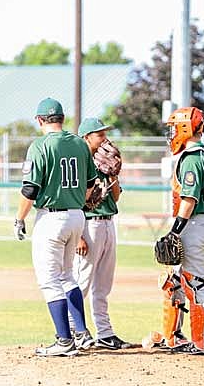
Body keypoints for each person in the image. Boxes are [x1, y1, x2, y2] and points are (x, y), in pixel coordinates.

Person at [14, 97, 98, 357]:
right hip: (77, 216)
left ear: (39, 120)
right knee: (67, 276)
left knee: (50, 280)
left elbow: (30, 189)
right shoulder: (79, 144)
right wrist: (75, 203)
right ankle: (82, 333)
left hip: (51, 218)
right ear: (62, 119)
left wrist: (19, 218)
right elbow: (91, 183)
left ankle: (64, 340)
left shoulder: (39, 146)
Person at [156, 106, 204, 354]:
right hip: (196, 223)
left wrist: (175, 231)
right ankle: (173, 336)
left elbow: (189, 199)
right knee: (173, 281)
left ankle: (202, 342)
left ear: (185, 128)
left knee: (195, 283)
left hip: (192, 223)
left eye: (174, 127)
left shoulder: (192, 158)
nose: (172, 133)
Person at [72, 118, 131, 350]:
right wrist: (78, 235)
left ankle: (104, 333)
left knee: (103, 285)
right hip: (88, 224)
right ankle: (72, 331)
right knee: (81, 281)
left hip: (108, 223)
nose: (104, 138)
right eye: (99, 134)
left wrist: (115, 174)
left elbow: (115, 197)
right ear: (86, 137)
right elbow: (75, 199)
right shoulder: (79, 163)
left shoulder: (104, 161)